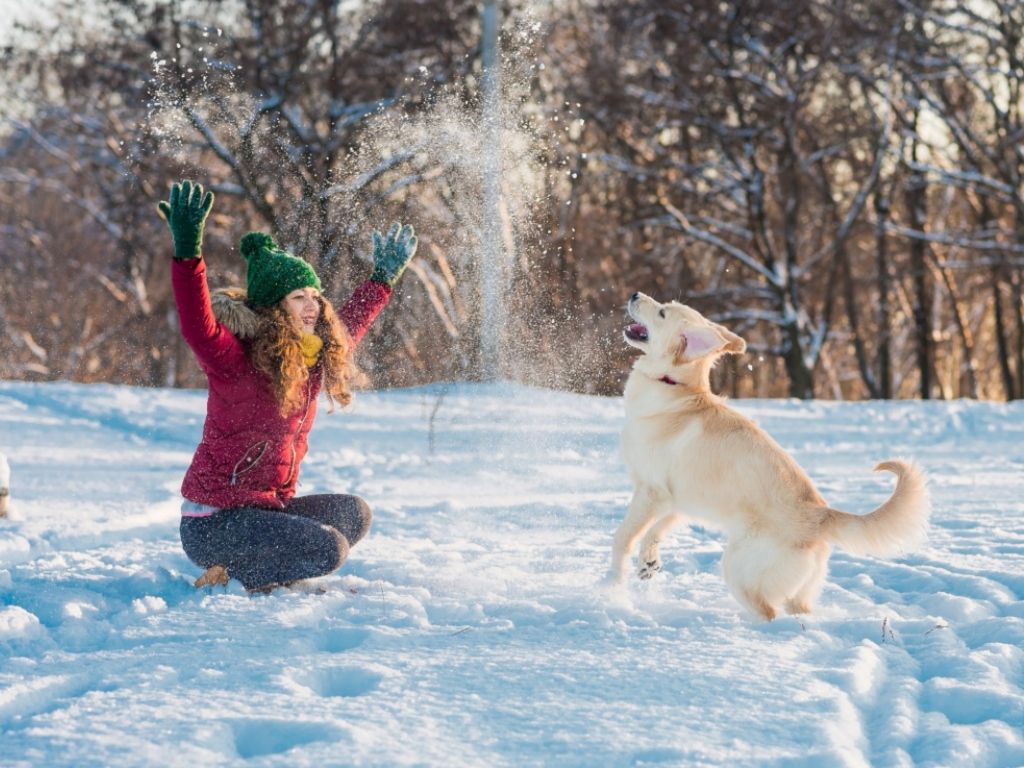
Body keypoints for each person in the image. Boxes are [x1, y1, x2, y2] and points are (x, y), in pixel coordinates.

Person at [158, 180, 417, 592]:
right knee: (329, 550)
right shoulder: (235, 359)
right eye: (299, 296)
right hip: (214, 522)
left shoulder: (311, 356)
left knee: (354, 515)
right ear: (276, 307)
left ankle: (263, 569)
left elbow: (348, 328)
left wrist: (380, 281)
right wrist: (189, 254)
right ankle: (231, 576)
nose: (312, 304)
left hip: (264, 510)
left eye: (314, 294)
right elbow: (197, 326)